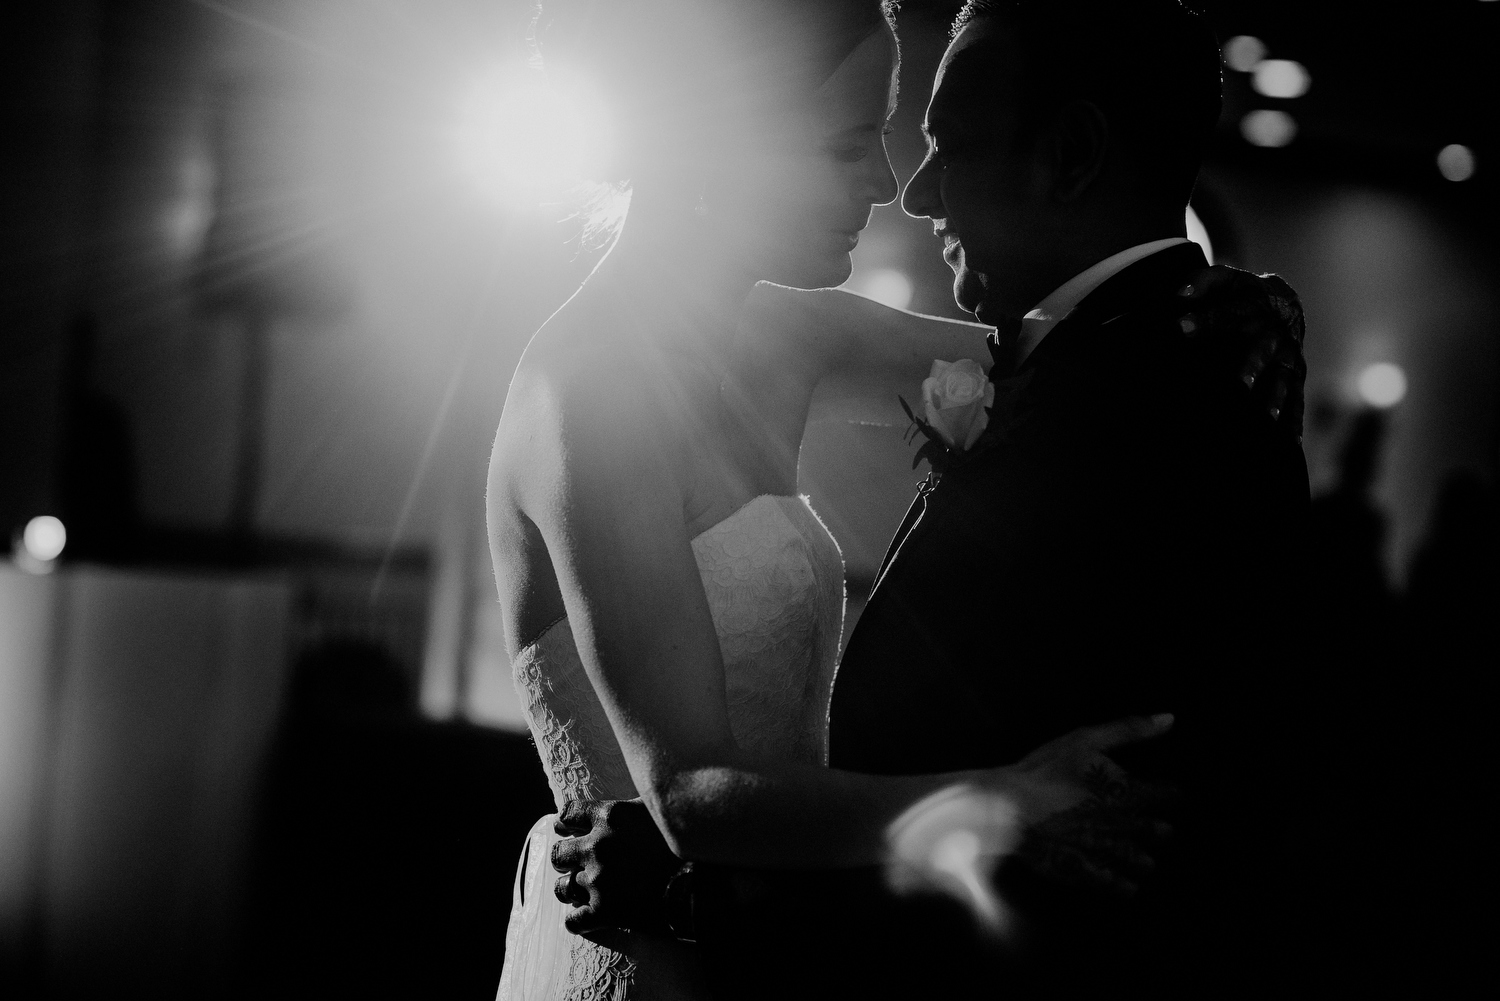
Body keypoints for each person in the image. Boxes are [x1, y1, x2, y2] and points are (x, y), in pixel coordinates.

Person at [489, 2, 1307, 998]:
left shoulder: (795, 334)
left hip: (784, 936)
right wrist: (1005, 799)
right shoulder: (593, 393)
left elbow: (1066, 360)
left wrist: (1224, 304)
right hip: (641, 938)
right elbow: (691, 793)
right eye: (852, 143)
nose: (888, 187)